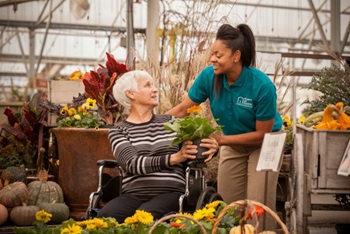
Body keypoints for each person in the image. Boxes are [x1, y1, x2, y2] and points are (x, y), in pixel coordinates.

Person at [166, 23, 283, 230]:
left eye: (218, 55)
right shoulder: (209, 76)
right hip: (233, 141)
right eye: (212, 54)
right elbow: (184, 108)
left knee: (258, 206)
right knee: (228, 207)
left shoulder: (261, 86)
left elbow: (262, 135)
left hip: (266, 143)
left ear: (236, 56)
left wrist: (219, 141)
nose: (212, 59)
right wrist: (156, 123)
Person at [96, 70, 219, 223]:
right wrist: (174, 158)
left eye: (153, 85)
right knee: (105, 218)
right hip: (133, 194)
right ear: (130, 94)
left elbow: (196, 149)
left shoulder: (172, 122)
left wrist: (211, 147)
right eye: (148, 86)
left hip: (171, 192)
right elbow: (131, 163)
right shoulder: (119, 130)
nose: (155, 89)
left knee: (144, 216)